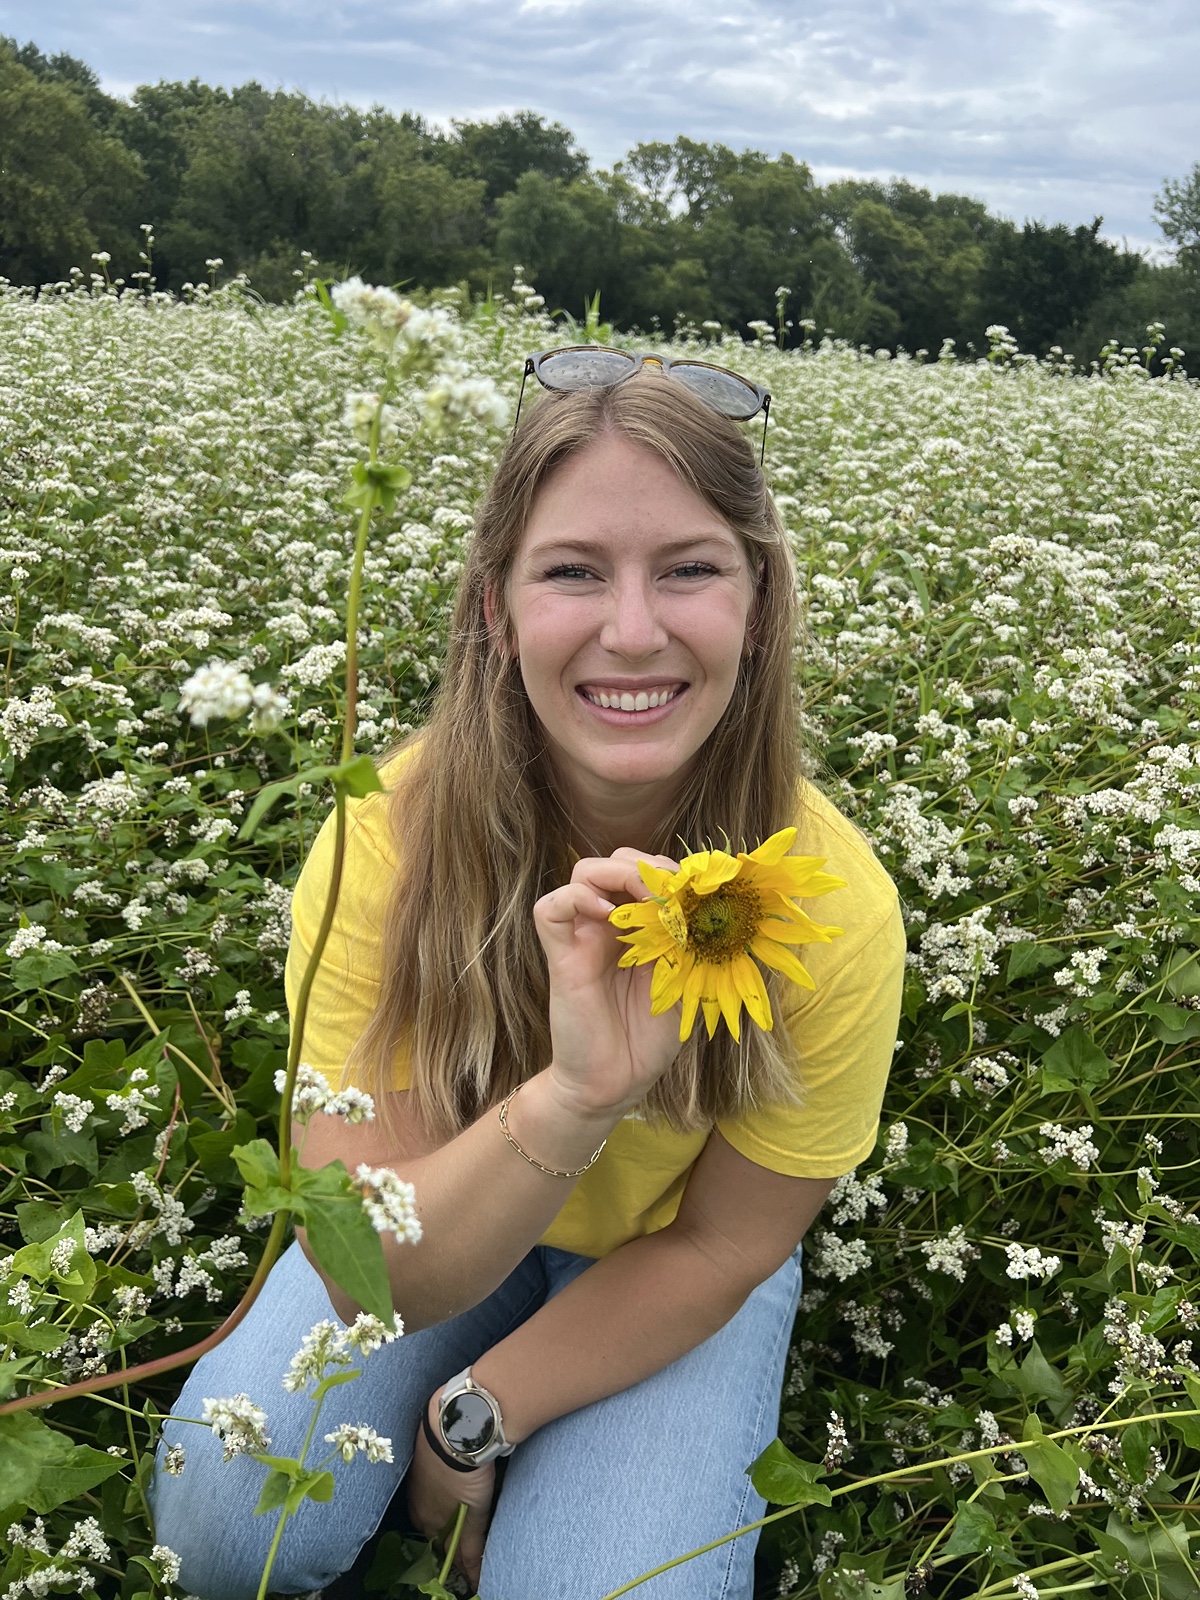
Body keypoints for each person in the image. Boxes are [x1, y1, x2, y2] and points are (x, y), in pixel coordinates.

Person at [151, 350, 905, 1600]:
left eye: (691, 569)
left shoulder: (834, 908)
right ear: (496, 608)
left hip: (666, 1264)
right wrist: (574, 1098)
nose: (632, 630)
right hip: (446, 1205)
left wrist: (473, 1416)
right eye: (572, 571)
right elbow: (369, 1259)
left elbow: (723, 1246)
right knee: (224, 1527)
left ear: (760, 603)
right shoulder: (384, 837)